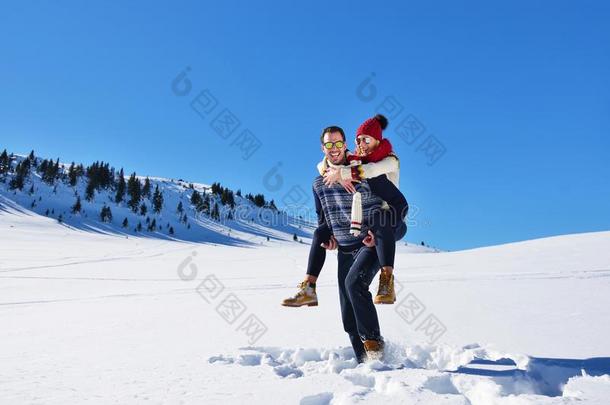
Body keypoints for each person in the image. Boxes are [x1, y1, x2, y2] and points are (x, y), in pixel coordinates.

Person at [284, 125, 407, 361]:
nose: (334, 148)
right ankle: (365, 363)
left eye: (338, 143)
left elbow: (396, 203)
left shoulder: (363, 173)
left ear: (345, 145)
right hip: (345, 248)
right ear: (323, 148)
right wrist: (329, 239)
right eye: (329, 144)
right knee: (348, 316)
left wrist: (384, 230)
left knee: (354, 285)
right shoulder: (318, 183)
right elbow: (324, 217)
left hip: (367, 243)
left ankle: (377, 352)